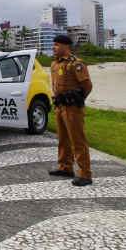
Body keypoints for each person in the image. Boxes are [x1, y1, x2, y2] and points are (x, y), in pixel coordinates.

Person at [48, 35, 94, 187]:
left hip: (72, 106)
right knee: (63, 138)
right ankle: (65, 166)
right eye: (53, 44)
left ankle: (85, 173)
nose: (53, 47)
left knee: (77, 140)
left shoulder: (76, 64)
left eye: (57, 45)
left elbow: (87, 85)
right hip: (59, 105)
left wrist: (78, 99)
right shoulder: (55, 62)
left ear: (66, 47)